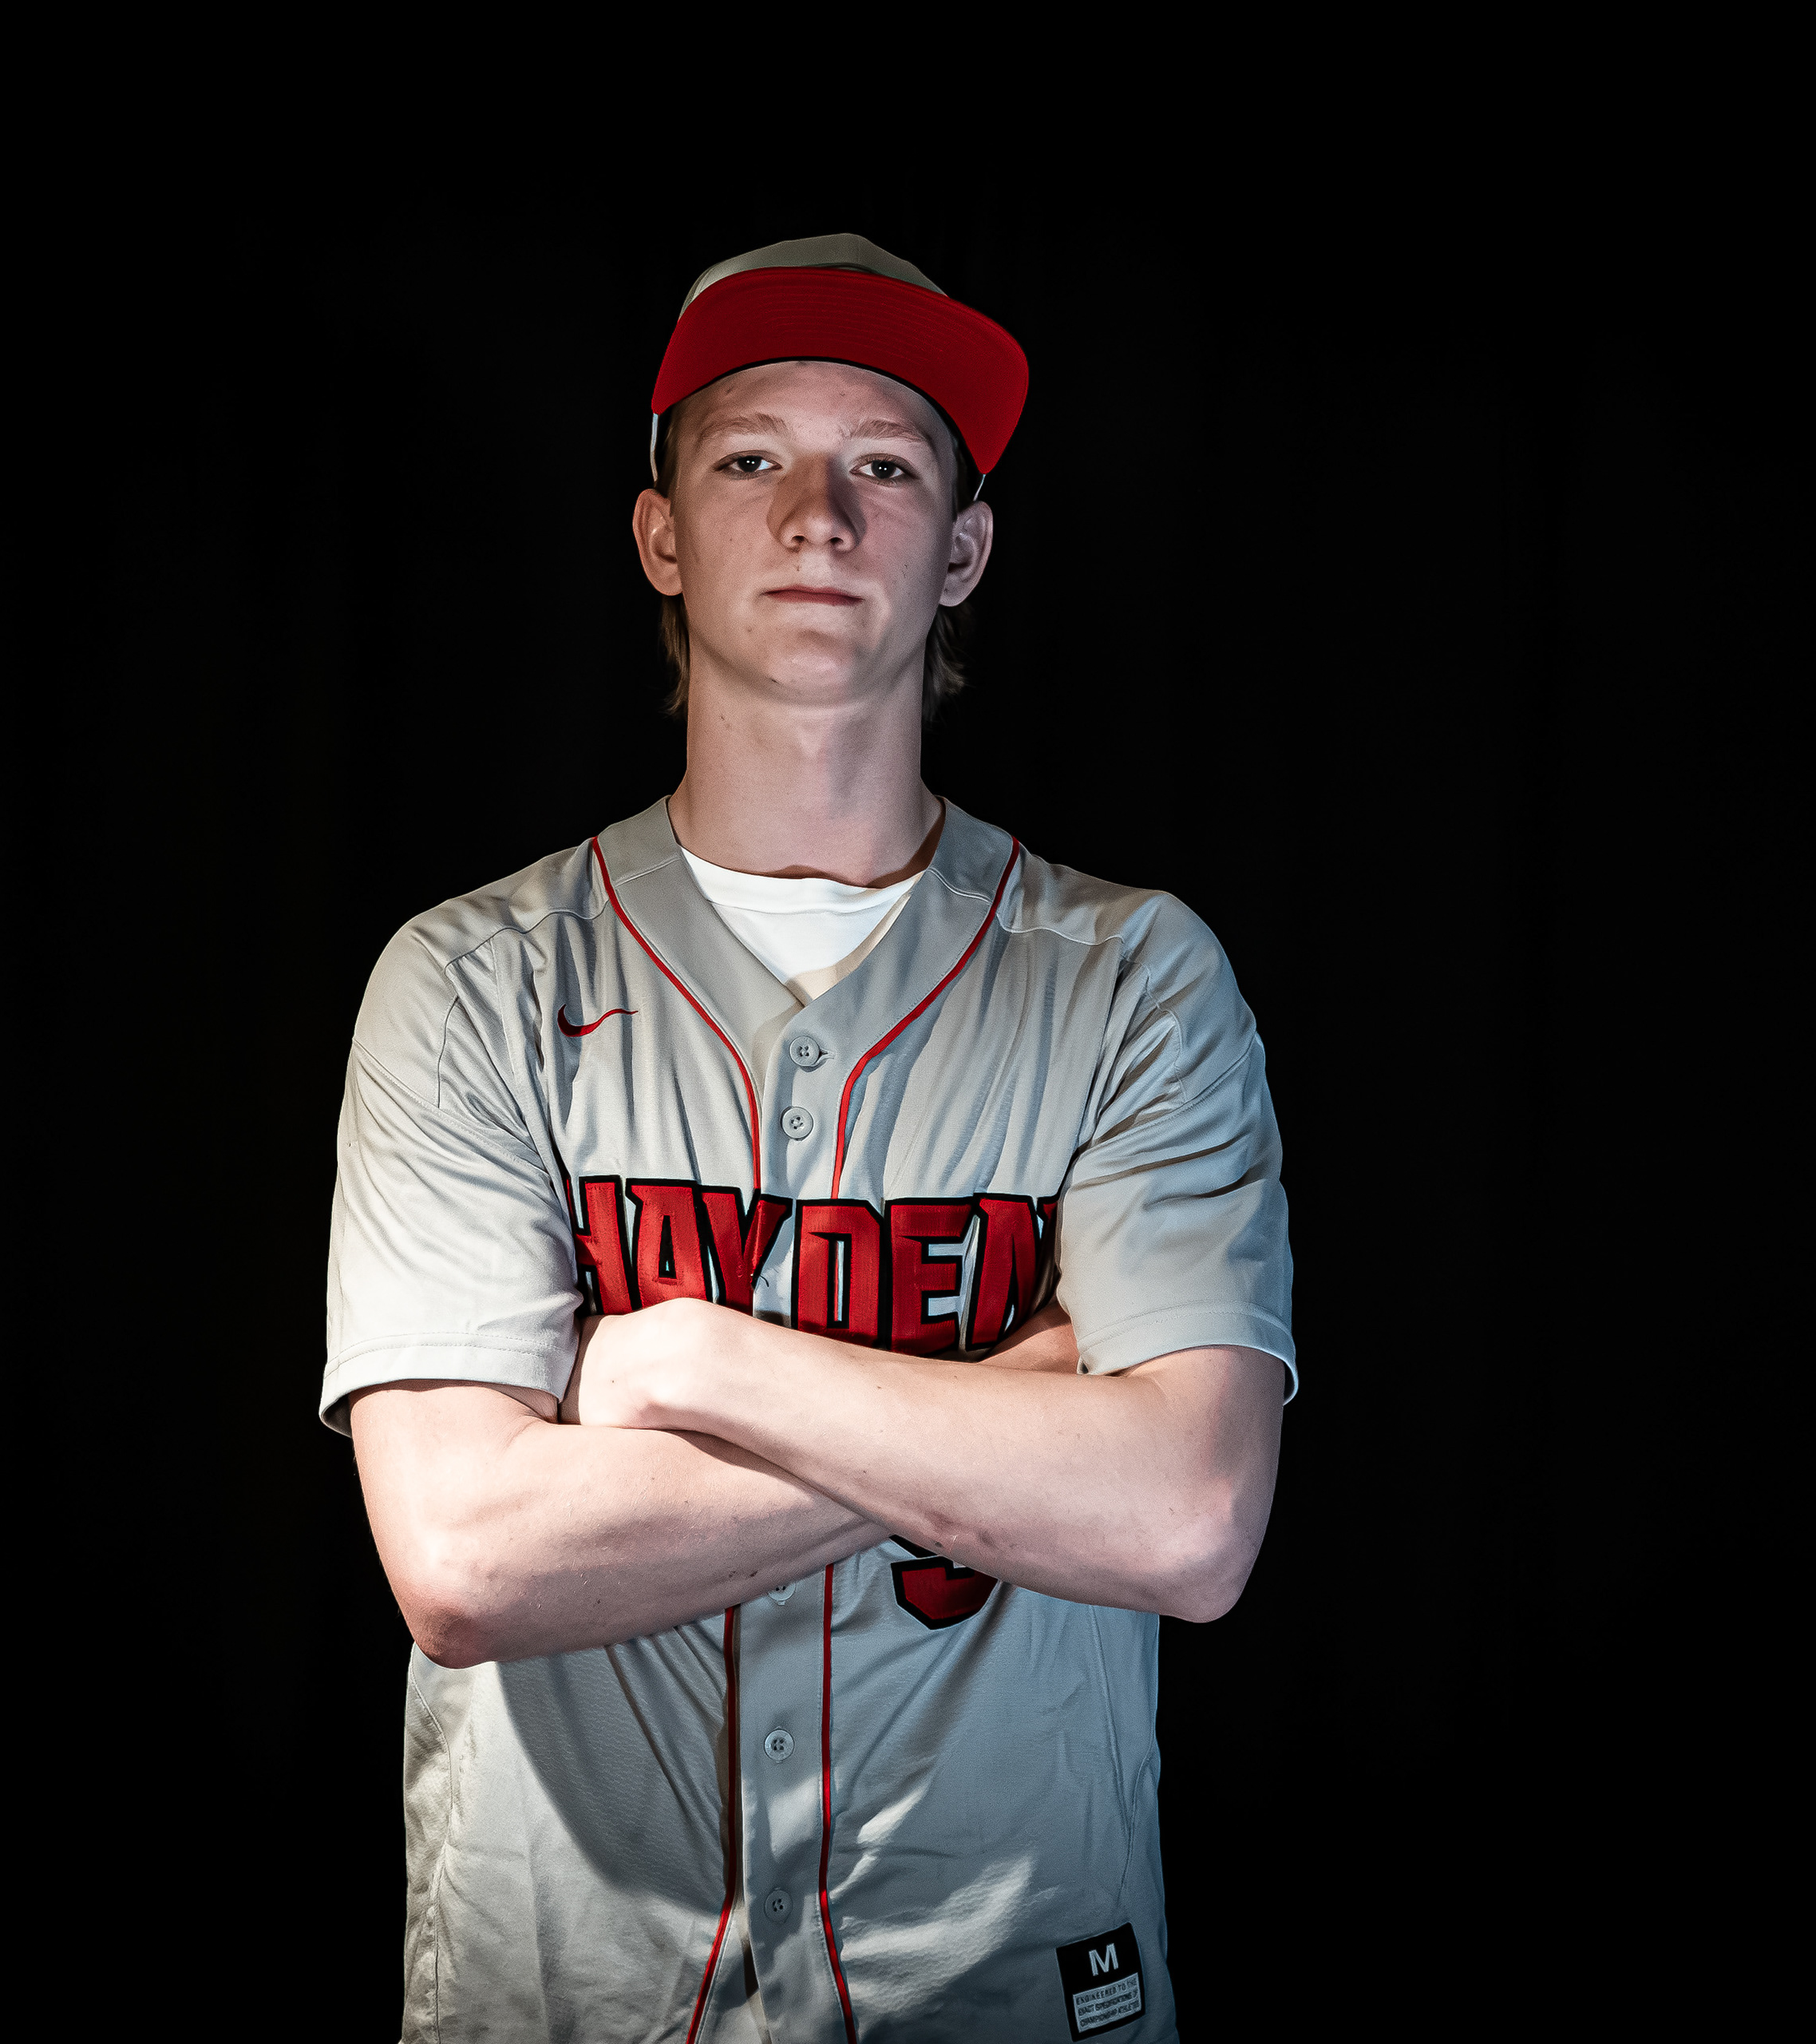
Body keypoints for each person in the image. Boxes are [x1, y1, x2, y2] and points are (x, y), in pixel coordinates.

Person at [327, 232, 1294, 2042]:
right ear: (660, 536)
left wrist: (695, 1363)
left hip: (1004, 1989)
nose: (819, 516)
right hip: (569, 1995)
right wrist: (1010, 1403)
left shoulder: (1132, 982)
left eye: (888, 466)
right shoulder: (470, 984)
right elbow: (465, 1558)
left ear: (964, 550)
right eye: (752, 456)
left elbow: (1188, 1516)